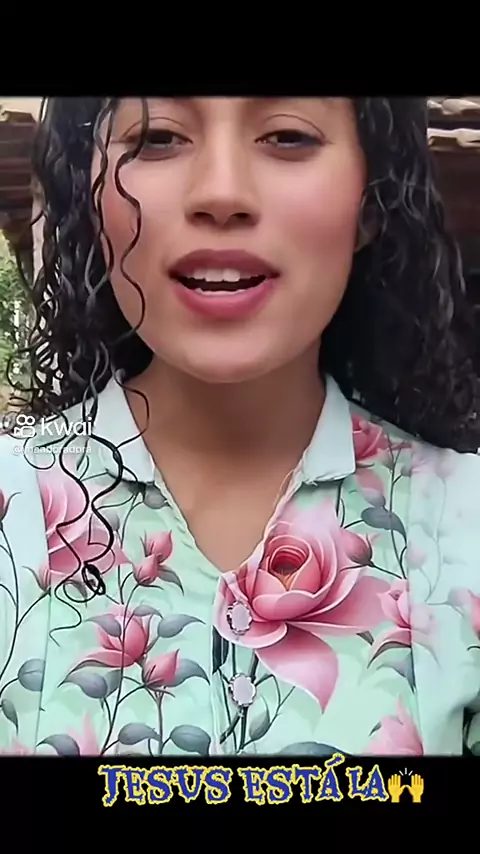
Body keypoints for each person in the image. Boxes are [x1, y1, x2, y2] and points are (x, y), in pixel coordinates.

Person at [1, 96, 480, 759]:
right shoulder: (12, 512)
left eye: (287, 136)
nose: (221, 194)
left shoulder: (465, 526)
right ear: (90, 196)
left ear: (370, 201)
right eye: (159, 138)